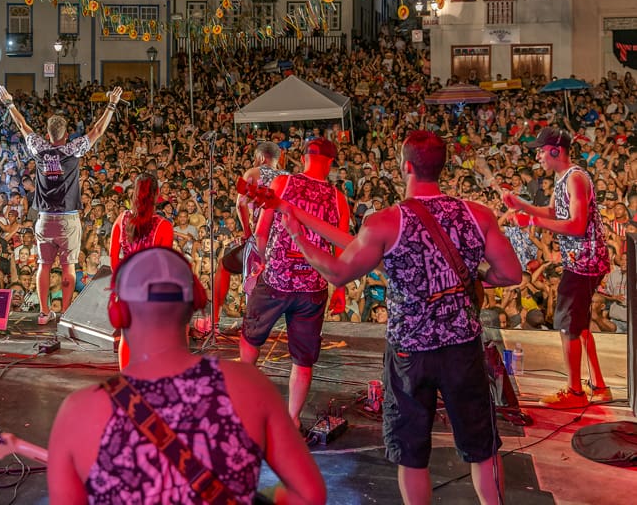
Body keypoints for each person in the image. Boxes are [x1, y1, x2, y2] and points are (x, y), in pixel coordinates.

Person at [280, 130, 521, 505]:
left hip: (410, 352)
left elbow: (337, 272)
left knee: (411, 454)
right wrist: (475, 279)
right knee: (482, 446)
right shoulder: (478, 215)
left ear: (406, 166)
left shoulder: (385, 222)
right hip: (462, 348)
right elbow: (510, 274)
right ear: (441, 167)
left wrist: (298, 235)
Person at [48, 247, 326, 504]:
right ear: (196, 302)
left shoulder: (77, 413)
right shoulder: (250, 386)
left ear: (117, 312)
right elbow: (309, 494)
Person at [239, 137, 350, 428]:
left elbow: (262, 231)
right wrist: (340, 287)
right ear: (330, 163)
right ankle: (293, 419)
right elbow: (341, 248)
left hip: (275, 279)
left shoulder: (283, 184)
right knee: (302, 360)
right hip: (313, 287)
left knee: (251, 340)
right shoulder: (338, 198)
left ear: (303, 158)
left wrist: (258, 265)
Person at [502, 127, 613, 407]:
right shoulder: (562, 177)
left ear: (555, 150)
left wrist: (532, 222)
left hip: (584, 261)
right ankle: (599, 386)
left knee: (568, 326)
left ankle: (575, 392)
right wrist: (521, 205)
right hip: (580, 259)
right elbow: (553, 212)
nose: (538, 155)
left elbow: (576, 225)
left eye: (541, 150)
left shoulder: (575, 178)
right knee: (579, 324)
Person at [0, 85, 120, 324]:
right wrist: (111, 105)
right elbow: (96, 131)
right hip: (67, 219)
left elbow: (23, 126)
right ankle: (65, 314)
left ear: (48, 134)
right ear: (66, 135)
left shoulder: (39, 148)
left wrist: (10, 104)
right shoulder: (72, 149)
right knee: (68, 268)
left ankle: (44, 312)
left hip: (44, 219)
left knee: (43, 265)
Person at [214, 140, 285, 324]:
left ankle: (243, 324)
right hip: (284, 243)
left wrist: (246, 232)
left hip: (259, 239)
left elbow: (240, 203)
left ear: (261, 157)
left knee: (240, 275)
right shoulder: (289, 177)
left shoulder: (253, 173)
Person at [109, 172, 174, 369]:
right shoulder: (164, 226)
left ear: (134, 193)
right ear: (157, 195)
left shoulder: (122, 219)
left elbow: (113, 256)